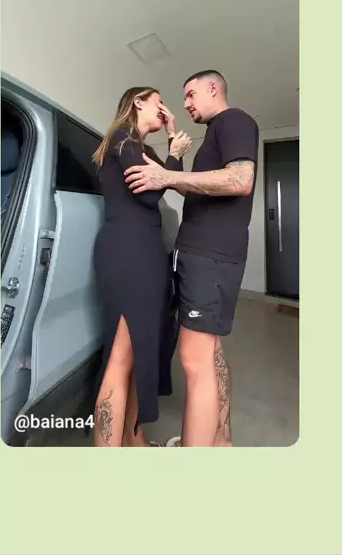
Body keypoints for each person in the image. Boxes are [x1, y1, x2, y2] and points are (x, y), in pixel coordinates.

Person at [124, 70, 259, 447]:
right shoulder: (215, 134)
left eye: (190, 94)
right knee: (210, 354)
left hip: (209, 259)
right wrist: (172, 152)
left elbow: (240, 179)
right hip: (204, 256)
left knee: (193, 360)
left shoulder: (233, 120)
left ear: (213, 88)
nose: (184, 104)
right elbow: (194, 190)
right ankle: (220, 440)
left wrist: (165, 177)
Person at [92, 87, 192, 447]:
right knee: (121, 361)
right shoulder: (124, 136)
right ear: (138, 102)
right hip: (129, 253)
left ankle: (136, 443)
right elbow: (150, 193)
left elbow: (164, 183)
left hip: (142, 252)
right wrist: (175, 155)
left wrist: (170, 146)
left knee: (137, 358)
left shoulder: (139, 148)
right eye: (158, 101)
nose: (165, 109)